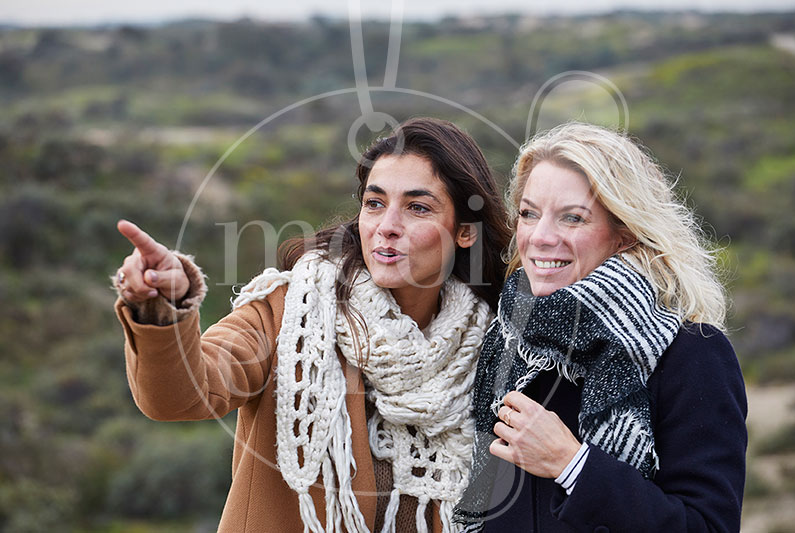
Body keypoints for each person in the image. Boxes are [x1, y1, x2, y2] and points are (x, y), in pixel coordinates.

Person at [112, 117, 511, 533]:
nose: (387, 226)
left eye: (417, 207)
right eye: (374, 203)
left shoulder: (493, 344)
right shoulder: (291, 311)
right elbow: (181, 396)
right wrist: (164, 307)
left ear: (465, 231)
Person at [454, 122, 747, 532]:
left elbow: (708, 526)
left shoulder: (692, 353)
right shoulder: (503, 344)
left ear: (624, 233)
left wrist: (572, 464)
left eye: (572, 218)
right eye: (528, 213)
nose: (540, 236)